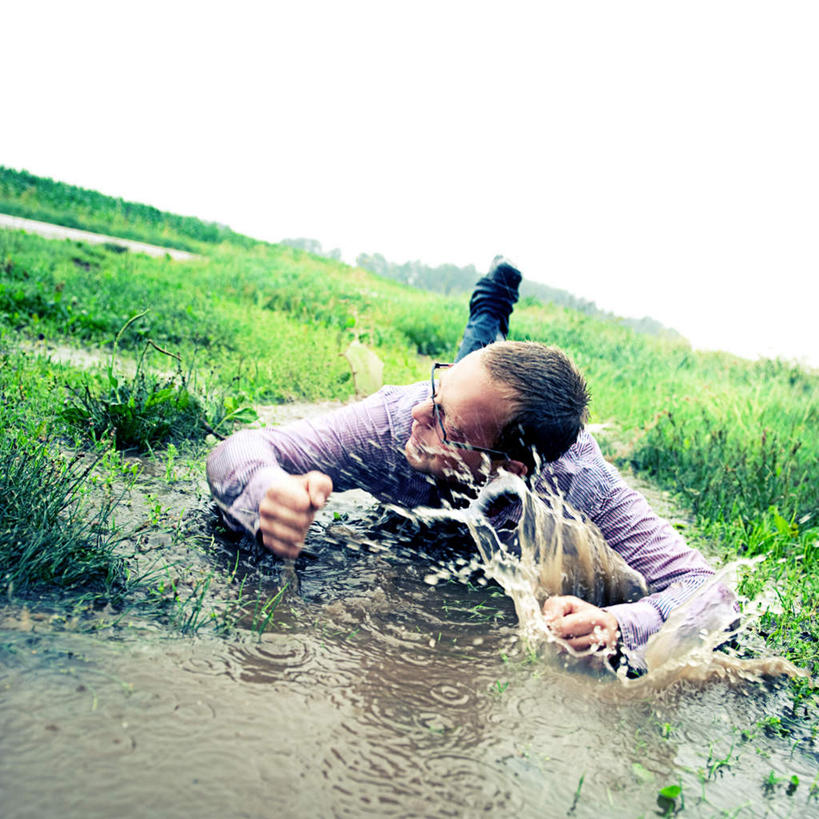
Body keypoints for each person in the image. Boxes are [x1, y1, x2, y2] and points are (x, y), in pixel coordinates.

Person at [207, 257, 716, 672]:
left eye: (441, 421)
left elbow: (709, 592)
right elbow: (241, 449)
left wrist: (624, 623)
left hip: (501, 447)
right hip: (477, 412)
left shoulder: (582, 487)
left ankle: (481, 345)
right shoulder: (395, 418)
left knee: (476, 405)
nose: (416, 414)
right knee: (474, 366)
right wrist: (265, 489)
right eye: (435, 390)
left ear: (514, 469)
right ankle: (488, 310)